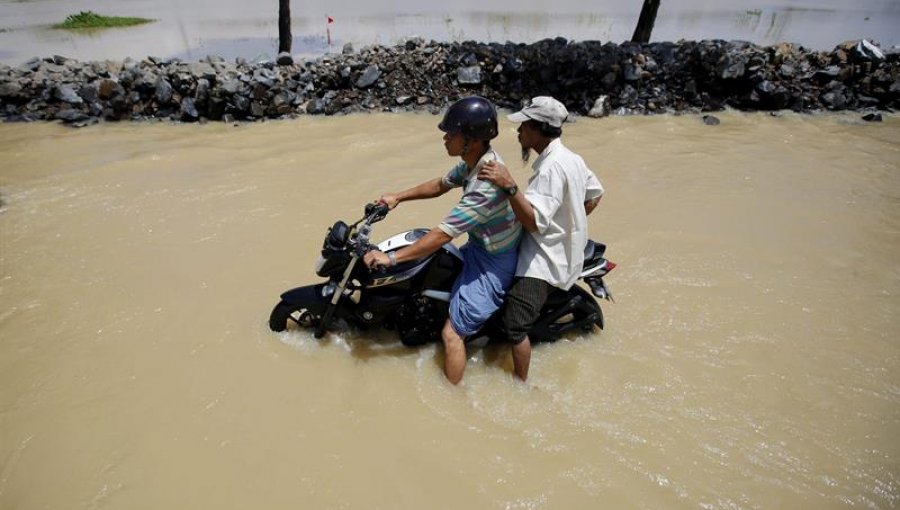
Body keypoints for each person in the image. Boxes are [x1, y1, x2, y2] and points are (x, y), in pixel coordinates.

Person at [363, 96, 522, 385]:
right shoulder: (476, 162)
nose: (445, 138)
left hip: (492, 262)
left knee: (451, 334)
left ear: (471, 140)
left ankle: (453, 394)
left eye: (452, 133)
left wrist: (392, 258)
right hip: (479, 246)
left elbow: (441, 235)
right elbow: (439, 185)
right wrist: (397, 196)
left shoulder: (483, 187)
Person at [477, 96, 604, 382]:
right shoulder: (572, 158)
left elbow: (533, 223)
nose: (519, 132)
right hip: (566, 250)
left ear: (537, 128)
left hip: (544, 262)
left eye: (523, 126)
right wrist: (571, 224)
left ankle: (520, 383)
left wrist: (509, 186)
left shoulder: (550, 169)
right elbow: (595, 194)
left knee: (514, 327)